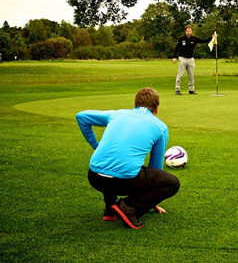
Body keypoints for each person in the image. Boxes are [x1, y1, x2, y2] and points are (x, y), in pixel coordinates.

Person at [76, 87, 180, 229]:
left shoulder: (117, 114)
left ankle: (110, 209)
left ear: (135, 105)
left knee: (111, 167)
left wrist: (95, 145)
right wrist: (150, 199)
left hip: (94, 177)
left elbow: (81, 116)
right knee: (172, 183)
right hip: (125, 182)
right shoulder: (160, 127)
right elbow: (155, 168)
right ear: (156, 109)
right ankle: (128, 207)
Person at [172, 25, 215, 95]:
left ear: (191, 31)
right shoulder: (181, 39)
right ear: (185, 31)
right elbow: (177, 48)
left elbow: (203, 41)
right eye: (187, 31)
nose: (189, 32)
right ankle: (177, 89)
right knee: (180, 75)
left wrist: (212, 38)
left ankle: (191, 90)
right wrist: (174, 57)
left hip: (190, 59)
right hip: (182, 58)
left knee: (191, 76)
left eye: (190, 31)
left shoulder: (194, 39)